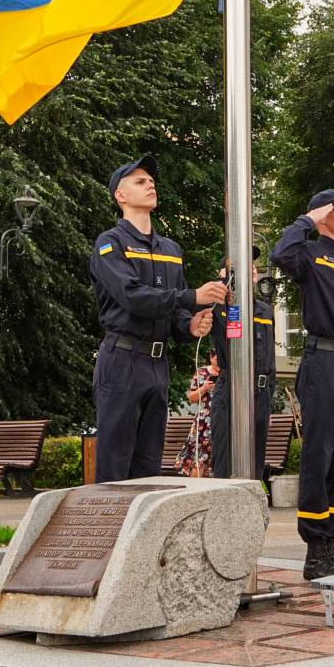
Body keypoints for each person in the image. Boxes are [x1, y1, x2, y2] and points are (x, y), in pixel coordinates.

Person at [90, 154, 224, 482]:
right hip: (122, 359)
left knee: (148, 464)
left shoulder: (171, 249)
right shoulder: (110, 243)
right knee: (115, 461)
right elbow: (132, 296)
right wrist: (192, 297)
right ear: (120, 196)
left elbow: (175, 312)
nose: (150, 184)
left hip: (157, 364)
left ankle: (141, 534)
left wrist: (190, 325)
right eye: (139, 181)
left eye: (151, 181)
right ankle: (109, 531)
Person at [271, 188, 334, 581]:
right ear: (323, 215)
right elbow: (281, 254)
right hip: (324, 361)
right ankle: (315, 550)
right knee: (320, 453)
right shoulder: (311, 253)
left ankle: (333, 544)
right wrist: (307, 220)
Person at [209, 254, 277, 480]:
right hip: (231, 388)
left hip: (260, 391)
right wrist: (223, 284)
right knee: (225, 458)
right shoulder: (219, 308)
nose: (252, 270)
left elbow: (270, 357)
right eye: (242, 267)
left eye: (253, 268)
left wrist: (269, 393)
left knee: (255, 460)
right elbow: (198, 309)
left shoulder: (264, 310)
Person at [178, 349, 220, 476]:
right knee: (199, 455)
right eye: (217, 360)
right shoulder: (201, 373)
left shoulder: (227, 372)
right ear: (211, 357)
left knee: (216, 456)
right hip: (204, 422)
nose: (219, 364)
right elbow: (191, 398)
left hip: (222, 419)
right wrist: (204, 388)